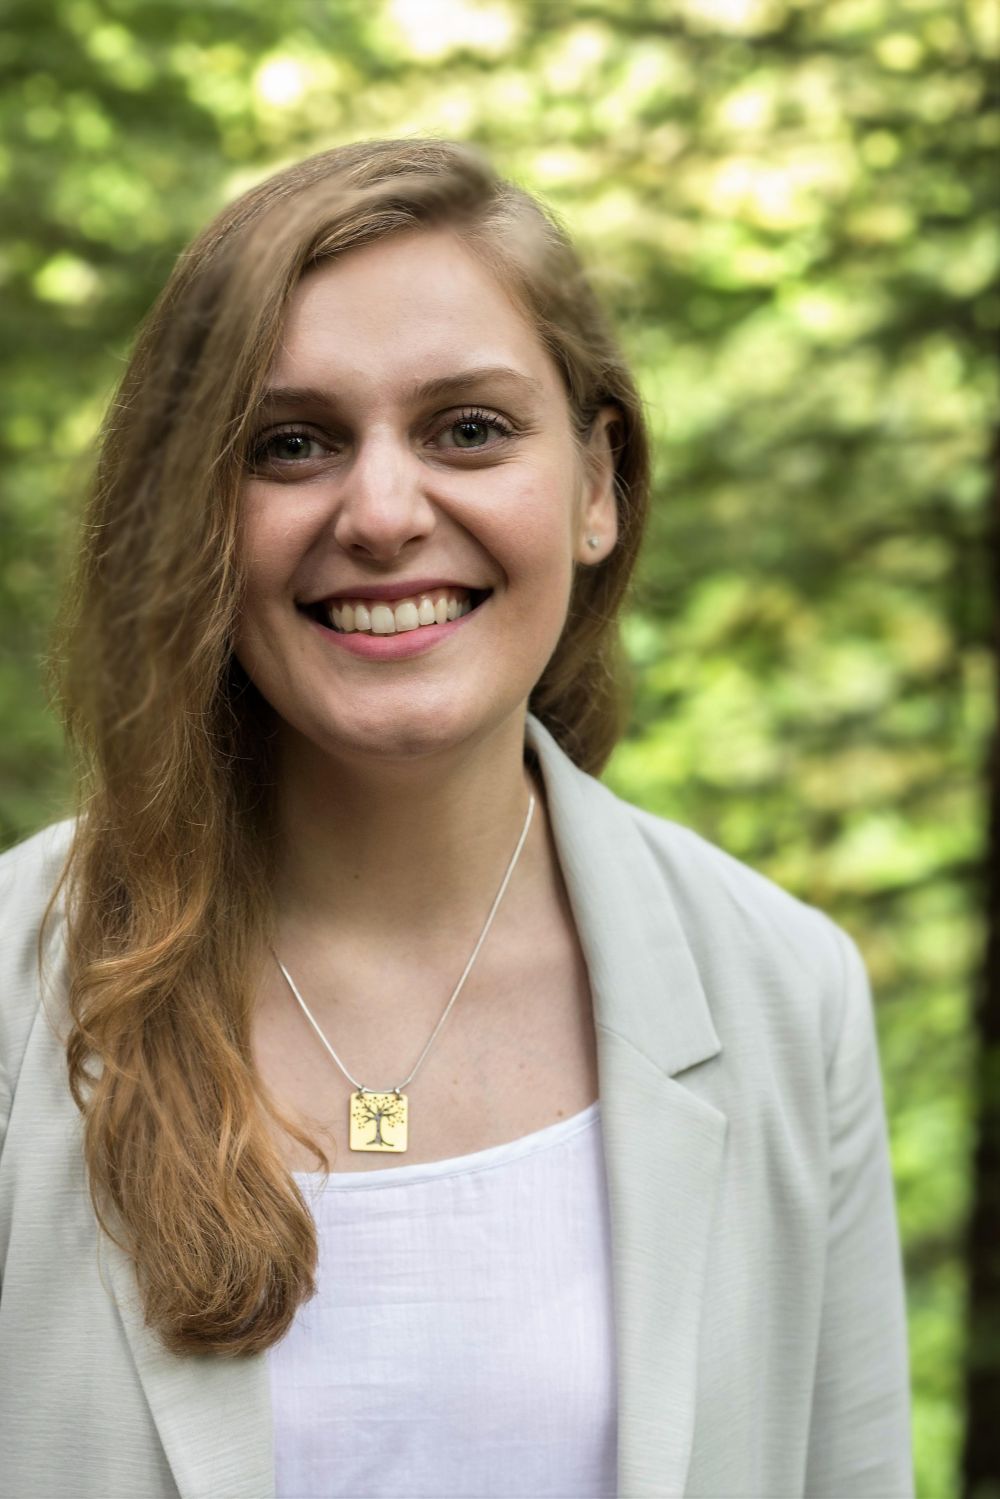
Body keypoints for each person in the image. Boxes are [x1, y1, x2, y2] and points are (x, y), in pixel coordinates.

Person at [0, 138, 913, 1499]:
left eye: (467, 430)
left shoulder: (785, 995)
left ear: (598, 487)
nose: (381, 513)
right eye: (290, 444)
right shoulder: (11, 983)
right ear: (193, 506)